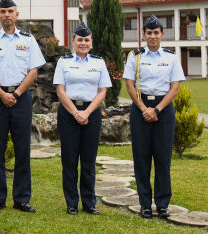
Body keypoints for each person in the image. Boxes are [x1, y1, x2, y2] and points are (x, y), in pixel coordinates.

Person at [0, 0, 46, 213]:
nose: (7, 15)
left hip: (21, 98)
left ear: (17, 14)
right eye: (3, 11)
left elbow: (34, 70)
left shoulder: (28, 40)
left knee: (22, 149)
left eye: (11, 11)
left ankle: (22, 198)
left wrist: (16, 93)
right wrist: (1, 93)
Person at [123, 14, 184, 219]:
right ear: (144, 35)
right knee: (141, 158)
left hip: (163, 110)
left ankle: (163, 203)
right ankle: (145, 204)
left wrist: (156, 110)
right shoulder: (135, 56)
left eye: (156, 33)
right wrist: (143, 109)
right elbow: (129, 85)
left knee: (163, 158)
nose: (152, 36)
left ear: (162, 35)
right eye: (149, 33)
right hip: (140, 108)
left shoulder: (171, 57)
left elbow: (174, 88)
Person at [53, 22, 111, 216]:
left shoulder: (98, 62)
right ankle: (71, 202)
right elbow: (60, 91)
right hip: (69, 113)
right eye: (80, 40)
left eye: (87, 40)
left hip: (92, 113)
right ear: (73, 41)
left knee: (88, 159)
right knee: (69, 160)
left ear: (91, 42)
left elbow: (102, 92)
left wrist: (86, 113)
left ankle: (89, 202)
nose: (83, 43)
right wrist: (76, 113)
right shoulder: (63, 62)